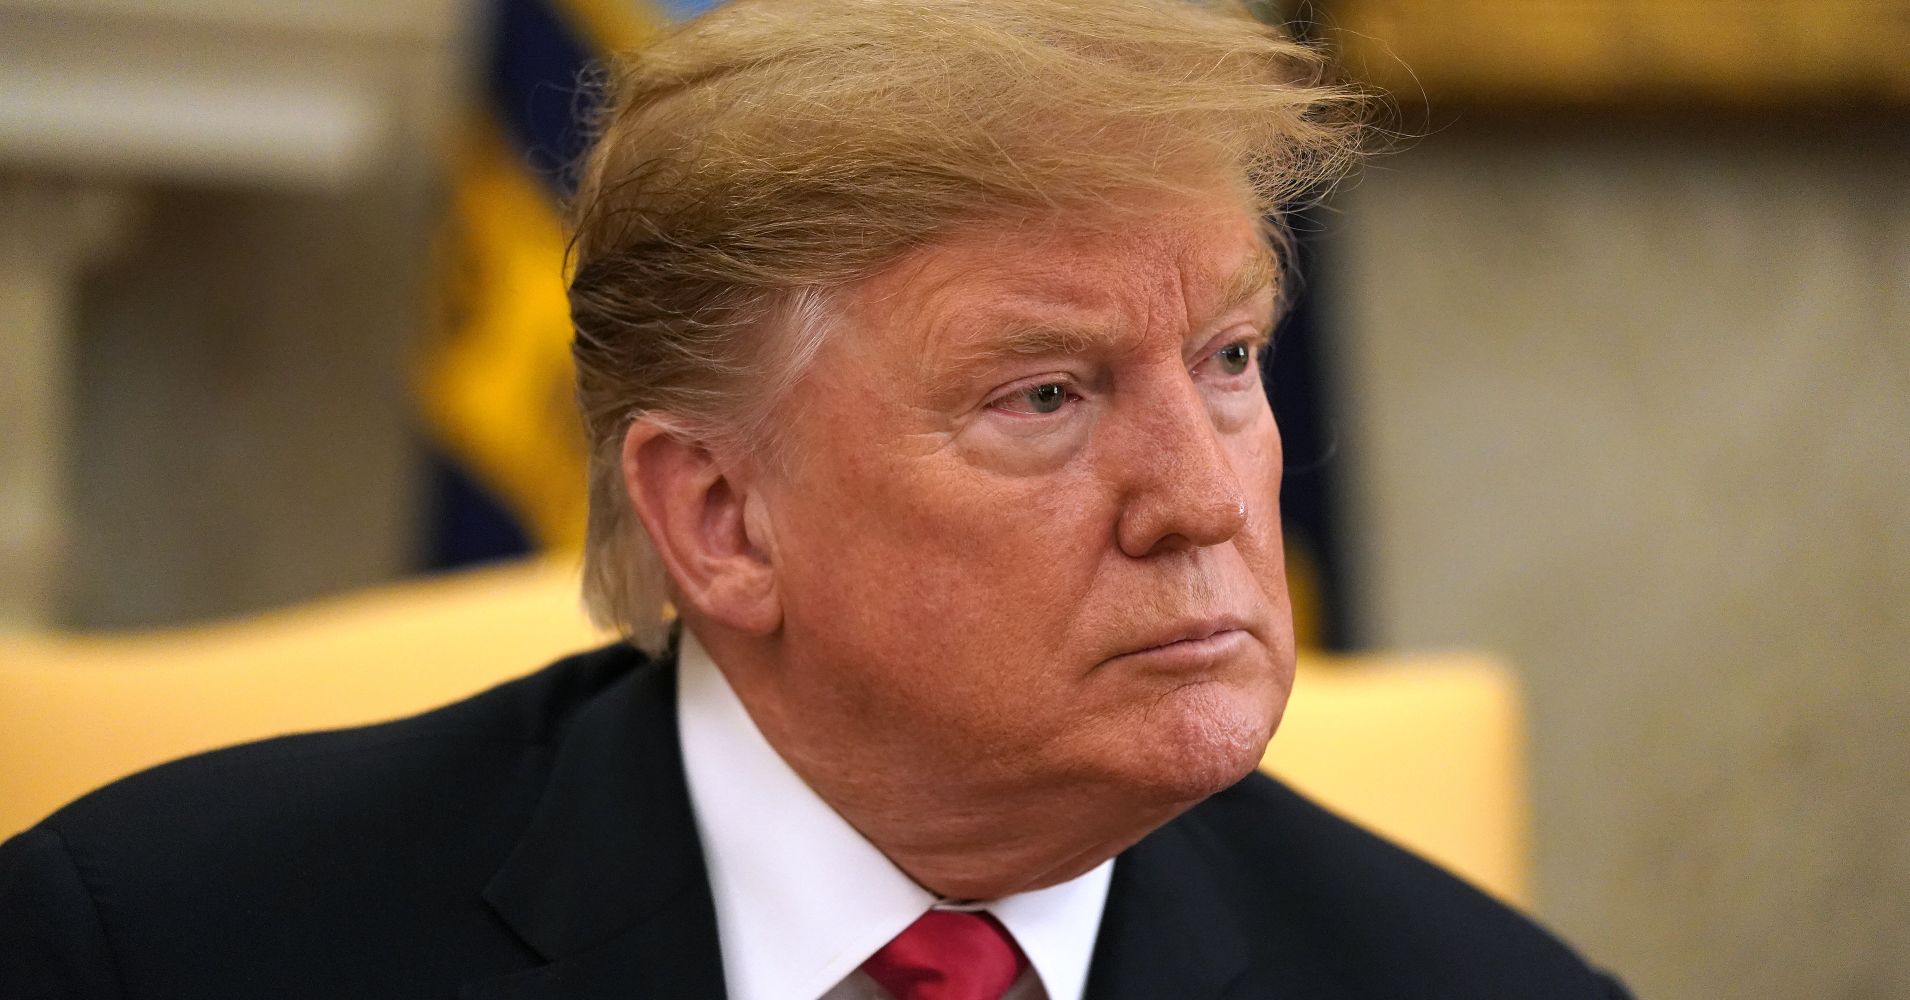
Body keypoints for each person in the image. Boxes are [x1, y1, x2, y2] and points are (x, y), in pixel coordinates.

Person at [0, 1, 1630, 997]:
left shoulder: (1479, 990)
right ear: (717, 516)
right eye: (1044, 397)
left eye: (1224, 360)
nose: (1202, 503)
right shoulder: (165, 950)